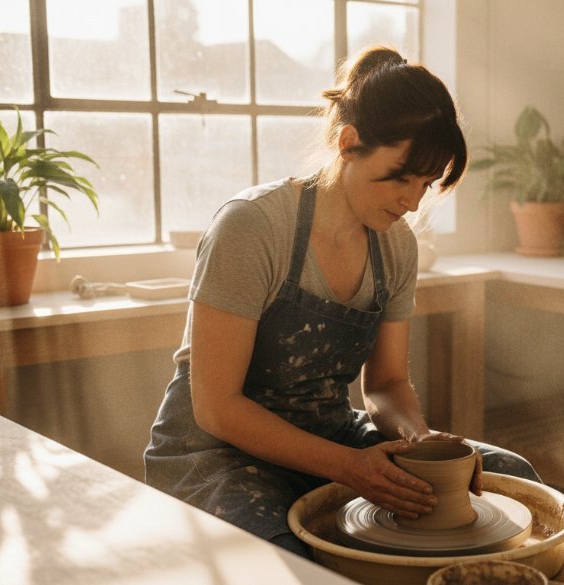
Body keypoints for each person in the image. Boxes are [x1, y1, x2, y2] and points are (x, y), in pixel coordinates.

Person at [143, 46, 540, 558]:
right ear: (348, 144)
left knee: (512, 476)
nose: (413, 201)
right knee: (294, 561)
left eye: (426, 182)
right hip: (214, 452)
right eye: (400, 176)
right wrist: (348, 466)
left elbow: (388, 383)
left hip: (325, 434)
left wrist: (419, 442)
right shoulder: (253, 227)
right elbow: (216, 408)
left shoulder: (397, 244)